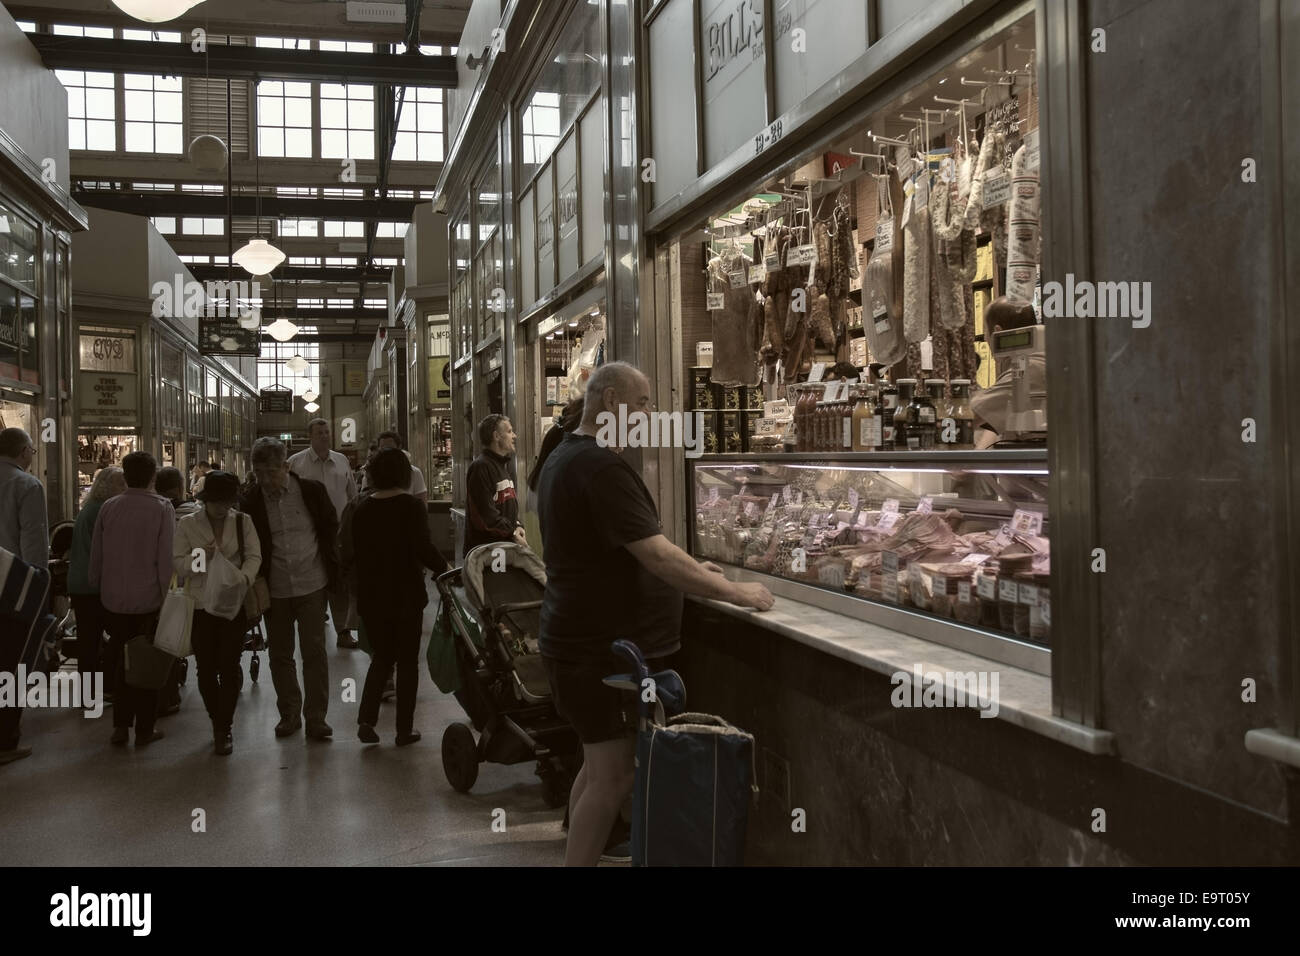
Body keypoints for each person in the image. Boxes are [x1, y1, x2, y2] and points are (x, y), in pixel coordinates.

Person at [536, 361, 774, 866]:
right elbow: (656, 554)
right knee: (613, 777)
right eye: (642, 402)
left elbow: (625, 550)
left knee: (597, 769)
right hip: (597, 652)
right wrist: (731, 590)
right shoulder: (600, 464)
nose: (649, 412)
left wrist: (698, 571)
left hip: (575, 643)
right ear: (609, 401)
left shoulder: (567, 455)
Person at [347, 449, 448, 745]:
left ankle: (366, 720)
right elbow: (423, 547)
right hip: (406, 595)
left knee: (381, 659)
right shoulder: (410, 507)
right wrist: (446, 568)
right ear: (404, 474)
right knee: (407, 663)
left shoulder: (362, 509)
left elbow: (356, 553)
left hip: (372, 597)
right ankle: (404, 729)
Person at [240, 437, 339, 740]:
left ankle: (316, 717)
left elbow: (329, 529)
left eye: (271, 472)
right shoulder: (252, 500)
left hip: (312, 583)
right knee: (280, 654)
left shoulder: (311, 492)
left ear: (285, 465)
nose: (266, 479)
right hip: (275, 588)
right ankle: (289, 714)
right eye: (259, 473)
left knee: (314, 652)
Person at [90, 451, 174, 748]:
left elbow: (96, 553)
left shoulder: (109, 507)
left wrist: (97, 585)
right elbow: (165, 560)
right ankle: (145, 728)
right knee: (146, 663)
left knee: (120, 660)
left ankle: (120, 726)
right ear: (153, 477)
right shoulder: (162, 508)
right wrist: (168, 598)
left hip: (113, 599)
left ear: (124, 476)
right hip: (148, 600)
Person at [174, 471, 260, 756]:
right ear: (205, 500)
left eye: (228, 502)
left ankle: (224, 726)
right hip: (200, 604)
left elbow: (254, 556)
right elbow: (177, 563)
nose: (224, 508)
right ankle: (216, 718)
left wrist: (244, 579)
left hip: (232, 603)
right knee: (206, 667)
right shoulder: (188, 524)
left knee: (230, 663)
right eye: (218, 503)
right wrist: (202, 557)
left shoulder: (242, 522)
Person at [288, 419, 359, 649]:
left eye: (327, 432)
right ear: (310, 435)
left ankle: (343, 631)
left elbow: (353, 496)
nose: (325, 435)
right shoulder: (296, 463)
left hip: (338, 532)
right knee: (312, 579)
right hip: (307, 532)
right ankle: (313, 625)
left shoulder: (341, 461)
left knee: (338, 582)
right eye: (319, 432)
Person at [0, 427, 46, 765]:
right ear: (22, 452)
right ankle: (6, 738)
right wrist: (39, 584)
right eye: (32, 448)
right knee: (12, 664)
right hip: (11, 587)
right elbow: (33, 542)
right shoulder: (27, 485)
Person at [68, 465, 125, 707]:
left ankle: (87, 695)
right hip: (96, 586)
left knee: (88, 641)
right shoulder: (104, 510)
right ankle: (107, 686)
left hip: (80, 584)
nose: (124, 489)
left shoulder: (88, 508)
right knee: (118, 634)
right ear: (109, 486)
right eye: (121, 484)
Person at [970, 296, 1046, 448]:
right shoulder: (1038, 359)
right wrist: (973, 461)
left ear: (997, 331)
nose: (985, 339)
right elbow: (994, 417)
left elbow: (970, 416)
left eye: (985, 331)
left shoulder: (1026, 368)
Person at [466, 414, 525, 553]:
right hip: (487, 553)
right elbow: (485, 517)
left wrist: (517, 525)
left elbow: (507, 509)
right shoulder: (481, 467)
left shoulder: (501, 466)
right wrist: (512, 533)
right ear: (496, 436)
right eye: (510, 431)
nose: (514, 436)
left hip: (504, 549)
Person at [368, 430, 427, 503]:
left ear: (399, 448)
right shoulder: (375, 473)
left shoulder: (414, 472)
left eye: (390, 449)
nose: (387, 453)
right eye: (383, 449)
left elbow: (422, 502)